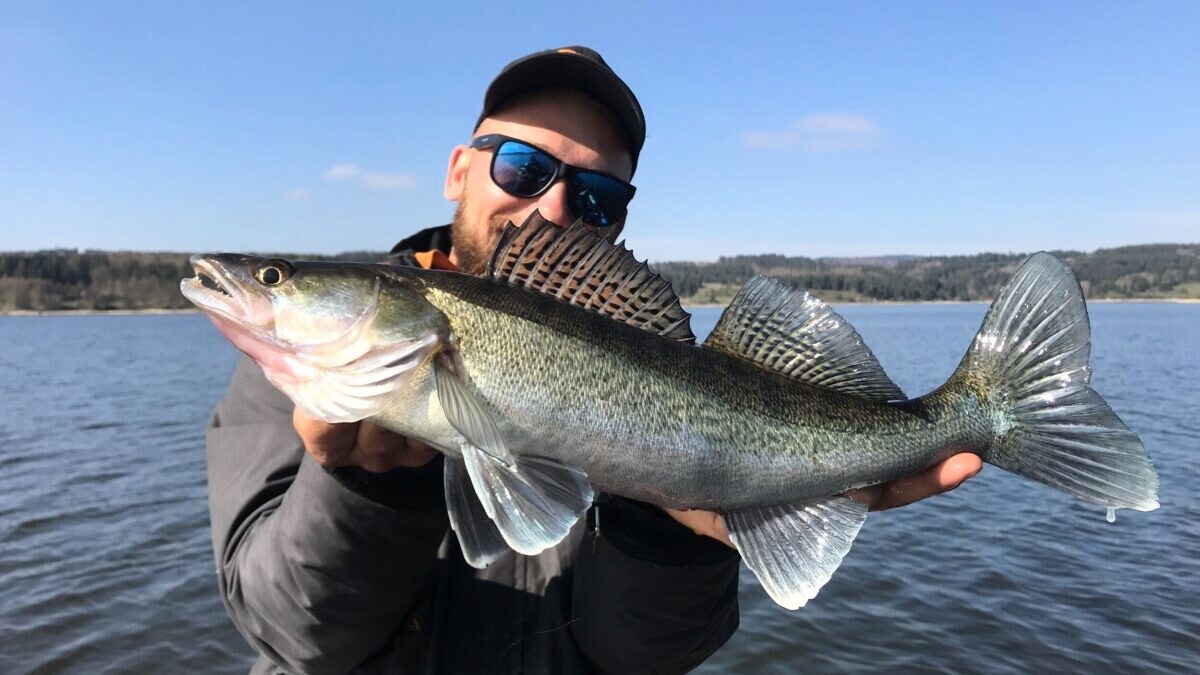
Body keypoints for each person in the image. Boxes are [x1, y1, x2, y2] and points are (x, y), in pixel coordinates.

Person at [206, 46, 983, 674]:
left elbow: (638, 657)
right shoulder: (300, 375)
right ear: (457, 169)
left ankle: (997, 411)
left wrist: (670, 530)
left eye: (598, 197)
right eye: (520, 165)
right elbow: (293, 637)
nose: (551, 208)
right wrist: (363, 494)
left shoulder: (642, 356)